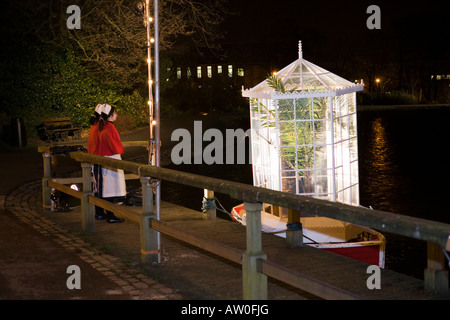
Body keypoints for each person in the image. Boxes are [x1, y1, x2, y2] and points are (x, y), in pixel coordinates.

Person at [96, 104, 126, 223]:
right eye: (115, 113)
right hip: (111, 158)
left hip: (107, 158)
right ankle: (110, 215)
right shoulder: (109, 128)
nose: (117, 115)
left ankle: (110, 214)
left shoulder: (104, 126)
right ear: (110, 115)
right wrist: (119, 149)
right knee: (111, 188)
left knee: (109, 188)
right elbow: (113, 144)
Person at [88, 104, 108, 220]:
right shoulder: (98, 127)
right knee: (100, 187)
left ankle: (99, 211)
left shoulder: (94, 125)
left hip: (95, 159)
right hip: (98, 159)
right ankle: (100, 211)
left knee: (98, 186)